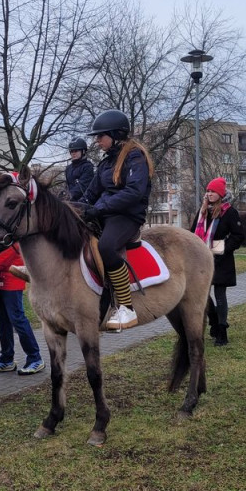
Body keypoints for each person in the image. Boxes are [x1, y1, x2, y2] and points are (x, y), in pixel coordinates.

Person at [81, 109, 154, 331]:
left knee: (107, 247)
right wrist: (72, 207)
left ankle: (126, 307)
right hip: (105, 212)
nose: (97, 141)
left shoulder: (135, 157)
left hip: (127, 215)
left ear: (115, 134)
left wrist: (99, 208)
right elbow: (90, 194)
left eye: (100, 136)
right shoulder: (105, 163)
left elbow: (134, 192)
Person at [194, 177, 244, 345]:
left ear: (221, 194)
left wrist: (221, 249)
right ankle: (214, 320)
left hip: (221, 259)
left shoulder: (229, 212)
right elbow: (193, 232)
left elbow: (238, 236)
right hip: (202, 259)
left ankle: (222, 331)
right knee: (202, 295)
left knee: (220, 295)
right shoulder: (203, 211)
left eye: (213, 191)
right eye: (208, 191)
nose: (209, 194)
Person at [0, 243, 44, 374]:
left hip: (11, 281)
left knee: (17, 319)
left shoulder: (12, 236)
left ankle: (35, 358)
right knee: (2, 322)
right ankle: (6, 359)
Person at [65, 138, 95, 203]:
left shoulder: (88, 166)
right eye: (71, 151)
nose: (73, 153)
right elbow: (68, 185)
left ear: (83, 151)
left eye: (76, 151)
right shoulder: (68, 168)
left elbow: (83, 186)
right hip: (70, 200)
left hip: (83, 200)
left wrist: (69, 195)